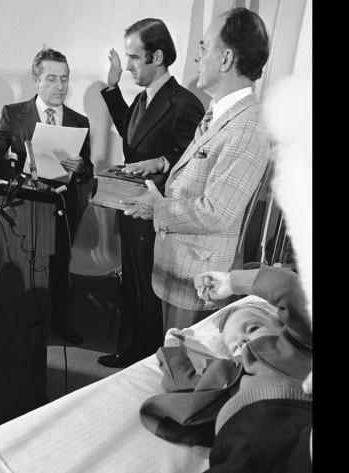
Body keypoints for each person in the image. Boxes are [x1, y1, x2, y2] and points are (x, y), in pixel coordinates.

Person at [122, 7, 272, 332]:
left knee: (183, 374)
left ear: (226, 59)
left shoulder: (247, 127)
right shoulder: (218, 113)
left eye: (204, 48)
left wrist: (157, 206)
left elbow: (217, 212)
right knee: (170, 365)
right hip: (181, 271)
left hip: (199, 285)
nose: (196, 58)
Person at [0, 48, 93, 345]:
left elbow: (88, 171)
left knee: (60, 266)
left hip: (62, 205)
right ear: (36, 80)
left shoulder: (79, 120)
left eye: (64, 79)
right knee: (26, 267)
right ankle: (27, 325)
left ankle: (60, 322)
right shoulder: (13, 113)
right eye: (51, 79)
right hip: (24, 205)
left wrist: (81, 167)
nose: (60, 86)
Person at [97, 18, 205, 368]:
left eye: (134, 58)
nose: (128, 66)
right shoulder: (144, 99)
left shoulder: (184, 104)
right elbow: (132, 137)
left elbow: (195, 163)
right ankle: (131, 351)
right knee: (133, 287)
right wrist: (113, 89)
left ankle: (143, 359)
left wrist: (160, 161)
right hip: (130, 208)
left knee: (148, 292)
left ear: (157, 56)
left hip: (158, 215)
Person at [140, 266, 312, 473]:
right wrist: (174, 348)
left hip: (295, 416)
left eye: (253, 328)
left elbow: (289, 288)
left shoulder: (294, 343)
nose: (242, 341)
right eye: (234, 346)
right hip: (234, 441)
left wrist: (232, 282)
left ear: (280, 324)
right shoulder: (226, 371)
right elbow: (185, 385)